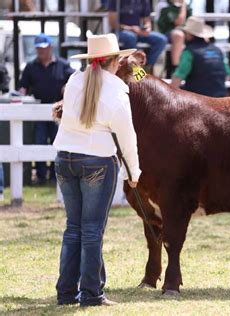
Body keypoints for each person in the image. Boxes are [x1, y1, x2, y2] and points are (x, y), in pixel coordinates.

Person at [53, 33, 141, 306]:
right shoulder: (116, 91)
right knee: (92, 230)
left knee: (74, 228)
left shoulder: (74, 80)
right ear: (115, 61)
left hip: (65, 158)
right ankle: (91, 294)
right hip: (97, 162)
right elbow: (127, 138)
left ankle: (67, 292)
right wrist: (133, 173)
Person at [19, 33, 75, 185]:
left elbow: (73, 82)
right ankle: (41, 176)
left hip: (58, 112)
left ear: (50, 47)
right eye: (38, 49)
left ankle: (55, 175)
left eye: (43, 48)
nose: (41, 51)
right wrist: (22, 94)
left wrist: (66, 89)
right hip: (37, 111)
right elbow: (23, 86)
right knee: (40, 142)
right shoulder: (31, 67)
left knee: (57, 142)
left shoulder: (63, 65)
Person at [171, 16, 230, 97]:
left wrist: (170, 94)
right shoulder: (217, 50)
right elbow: (228, 74)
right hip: (219, 99)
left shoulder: (189, 52)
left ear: (189, 34)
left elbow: (179, 76)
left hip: (198, 100)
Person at [108, 0, 167, 74]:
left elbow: (147, 20)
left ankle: (146, 68)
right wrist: (130, 28)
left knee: (161, 39)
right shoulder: (116, 1)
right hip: (121, 32)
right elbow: (113, 23)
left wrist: (147, 28)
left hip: (138, 31)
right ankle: (135, 70)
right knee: (131, 37)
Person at [157, 0, 192, 70]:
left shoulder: (187, 8)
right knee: (178, 35)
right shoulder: (163, 5)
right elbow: (179, 22)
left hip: (183, 34)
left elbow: (191, 24)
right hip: (167, 34)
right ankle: (176, 69)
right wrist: (183, 6)